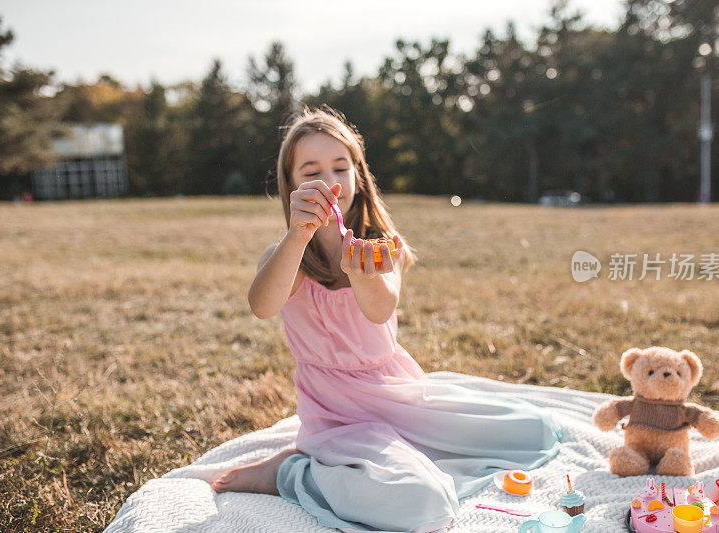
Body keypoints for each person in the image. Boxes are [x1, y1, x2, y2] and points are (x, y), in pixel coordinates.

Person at [210, 105, 563, 532]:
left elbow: (380, 310)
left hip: (396, 394)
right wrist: (297, 236)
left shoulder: (379, 246)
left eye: (341, 167)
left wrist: (362, 276)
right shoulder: (288, 256)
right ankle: (291, 472)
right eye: (311, 171)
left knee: (533, 431)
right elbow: (262, 305)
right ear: (290, 186)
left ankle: (357, 453)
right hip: (336, 411)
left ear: (359, 176)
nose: (329, 182)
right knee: (422, 503)